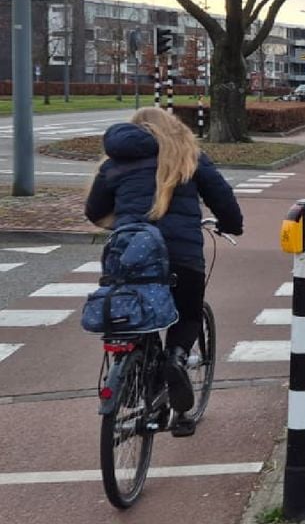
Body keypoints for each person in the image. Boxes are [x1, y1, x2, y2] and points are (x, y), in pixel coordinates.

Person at [84, 108, 243, 437]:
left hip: (130, 256)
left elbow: (94, 210)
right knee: (188, 313)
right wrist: (232, 225)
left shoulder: (115, 162)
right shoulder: (188, 155)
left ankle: (132, 369)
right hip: (182, 256)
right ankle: (177, 358)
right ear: (173, 128)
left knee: (136, 312)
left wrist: (125, 218)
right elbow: (222, 198)